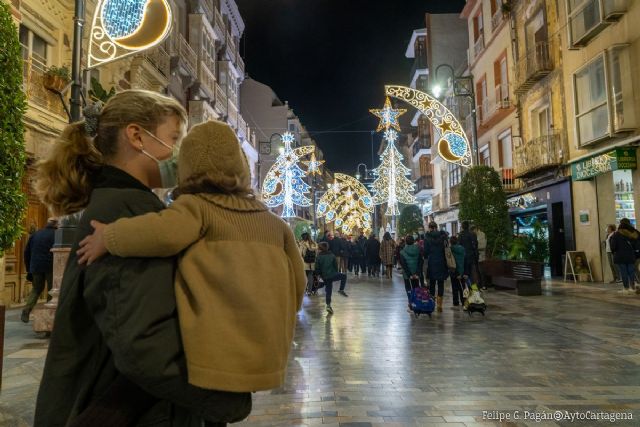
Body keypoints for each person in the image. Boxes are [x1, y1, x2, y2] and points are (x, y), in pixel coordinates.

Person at [33, 90, 251, 427]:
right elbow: (145, 345)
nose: (181, 153)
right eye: (174, 138)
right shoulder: (126, 215)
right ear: (137, 136)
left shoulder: (128, 207)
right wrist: (223, 399)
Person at [77, 120, 306, 394]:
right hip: (268, 357)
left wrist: (109, 237)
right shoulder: (275, 224)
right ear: (242, 168)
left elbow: (159, 233)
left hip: (212, 357)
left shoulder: (197, 208)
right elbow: (299, 283)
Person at [21, 218, 57, 323]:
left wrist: (29, 269)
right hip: (50, 267)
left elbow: (26, 252)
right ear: (56, 224)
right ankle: (49, 317)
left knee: (36, 289)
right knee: (52, 292)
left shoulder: (36, 234)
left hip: (36, 266)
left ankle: (26, 310)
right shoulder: (57, 235)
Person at [315, 242, 348, 314]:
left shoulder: (318, 257)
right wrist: (334, 273)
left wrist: (319, 275)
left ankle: (328, 305)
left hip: (324, 277)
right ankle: (341, 290)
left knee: (328, 291)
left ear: (320, 249)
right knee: (344, 276)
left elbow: (317, 268)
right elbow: (336, 266)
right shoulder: (332, 255)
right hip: (332, 275)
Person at [423, 222, 449, 312]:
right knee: (441, 284)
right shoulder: (443, 236)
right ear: (436, 227)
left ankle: (432, 303)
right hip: (442, 262)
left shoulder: (427, 238)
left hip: (432, 262)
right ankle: (440, 305)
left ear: (430, 228)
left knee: (432, 284)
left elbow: (425, 252)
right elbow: (447, 248)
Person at [609, 218, 640, 295]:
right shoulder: (634, 233)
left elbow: (613, 246)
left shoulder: (616, 234)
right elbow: (637, 244)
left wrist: (614, 252)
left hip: (620, 256)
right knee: (631, 271)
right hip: (631, 255)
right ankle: (632, 287)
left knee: (624, 272)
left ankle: (626, 288)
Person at [399, 235, 424, 309]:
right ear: (413, 241)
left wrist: (409, 274)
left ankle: (410, 303)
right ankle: (416, 303)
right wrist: (417, 273)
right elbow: (420, 261)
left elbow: (404, 264)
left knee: (408, 288)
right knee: (416, 287)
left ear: (406, 242)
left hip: (407, 274)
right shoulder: (418, 249)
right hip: (416, 273)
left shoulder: (402, 252)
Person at [449, 236, 466, 309]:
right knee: (462, 287)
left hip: (454, 270)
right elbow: (465, 259)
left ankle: (455, 302)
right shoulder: (462, 248)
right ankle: (463, 301)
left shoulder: (450, 249)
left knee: (454, 287)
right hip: (462, 270)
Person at [471, 225, 487, 289]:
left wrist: (475, 247)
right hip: (475, 256)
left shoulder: (482, 234)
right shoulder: (474, 235)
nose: (473, 232)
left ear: (476, 229)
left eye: (473, 231)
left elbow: (483, 246)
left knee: (481, 271)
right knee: (477, 271)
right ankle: (479, 285)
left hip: (481, 256)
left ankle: (484, 285)